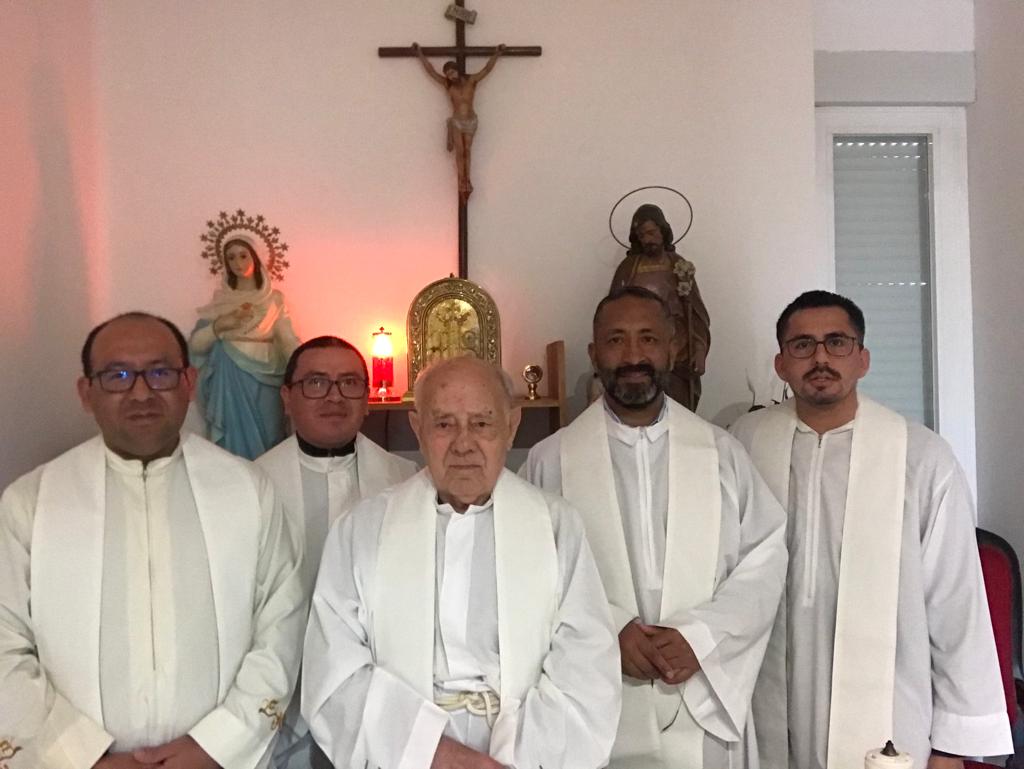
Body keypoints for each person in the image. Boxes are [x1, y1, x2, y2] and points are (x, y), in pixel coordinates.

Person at [0, 312, 305, 769]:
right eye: (117, 375)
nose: (141, 392)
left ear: (189, 383)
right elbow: (5, 644)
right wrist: (81, 757)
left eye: (160, 373)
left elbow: (281, 624)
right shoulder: (32, 501)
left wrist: (216, 745)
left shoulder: (246, 489)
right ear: (86, 392)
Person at [730, 290, 1012, 769]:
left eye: (837, 342)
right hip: (765, 708)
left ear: (862, 358)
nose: (820, 357)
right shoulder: (744, 443)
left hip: (891, 712)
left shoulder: (921, 457)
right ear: (781, 364)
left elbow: (956, 604)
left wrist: (952, 747)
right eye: (802, 345)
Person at [301, 356, 621, 769]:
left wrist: (510, 761)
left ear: (511, 426)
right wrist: (434, 754)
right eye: (444, 424)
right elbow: (335, 671)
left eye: (482, 423)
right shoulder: (361, 531)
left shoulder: (556, 526)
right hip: (402, 755)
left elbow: (586, 664)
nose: (463, 444)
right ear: (418, 428)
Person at [521, 287, 787, 769]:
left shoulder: (722, 454)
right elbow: (528, 570)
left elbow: (764, 561)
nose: (633, 355)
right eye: (616, 340)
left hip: (701, 701)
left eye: (648, 338)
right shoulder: (551, 460)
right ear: (594, 353)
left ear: (673, 348)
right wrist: (609, 630)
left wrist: (699, 637)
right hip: (595, 704)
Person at [256, 336, 417, 769]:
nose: (334, 396)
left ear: (366, 400)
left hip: (379, 697)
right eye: (316, 382)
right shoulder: (251, 486)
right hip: (283, 698)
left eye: (349, 382)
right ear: (287, 398)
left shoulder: (407, 482)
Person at [190, 234, 300, 460]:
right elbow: (196, 346)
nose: (237, 263)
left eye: (243, 256)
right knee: (232, 446)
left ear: (256, 258)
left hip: (268, 378)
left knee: (270, 438)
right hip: (229, 378)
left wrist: (306, 367)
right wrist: (220, 325)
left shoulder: (273, 300)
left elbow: (287, 341)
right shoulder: (221, 301)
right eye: (231, 258)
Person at [610, 203, 711, 411]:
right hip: (639, 348)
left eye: (651, 232)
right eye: (642, 235)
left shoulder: (678, 265)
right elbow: (612, 312)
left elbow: (696, 313)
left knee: (678, 408)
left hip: (677, 348)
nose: (647, 239)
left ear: (663, 231)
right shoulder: (628, 268)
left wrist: (699, 349)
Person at [412, 42, 505, 200]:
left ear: (457, 69)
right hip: (457, 122)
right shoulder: (447, 84)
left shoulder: (471, 80)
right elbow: (431, 71)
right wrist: (419, 53)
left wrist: (497, 53)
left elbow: (487, 69)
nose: (450, 76)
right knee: (460, 152)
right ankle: (462, 182)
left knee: (467, 151)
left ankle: (468, 180)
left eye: (452, 72)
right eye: (448, 74)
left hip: (471, 121)